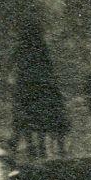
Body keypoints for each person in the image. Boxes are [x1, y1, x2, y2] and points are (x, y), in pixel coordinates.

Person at [10, 18, 69, 161]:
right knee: (41, 118)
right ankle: (41, 149)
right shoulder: (41, 47)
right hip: (41, 87)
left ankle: (32, 149)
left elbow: (12, 67)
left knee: (26, 118)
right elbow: (48, 69)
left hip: (25, 87)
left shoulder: (21, 48)